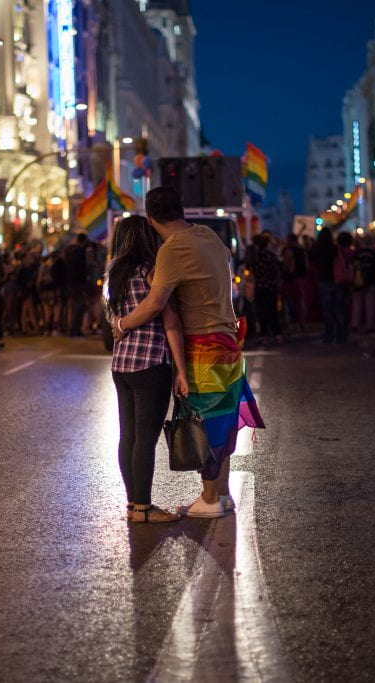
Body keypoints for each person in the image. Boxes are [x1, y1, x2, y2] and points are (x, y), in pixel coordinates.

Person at [112, 187, 265, 519]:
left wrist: (122, 324)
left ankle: (209, 499)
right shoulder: (208, 235)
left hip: (202, 345)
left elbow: (155, 303)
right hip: (228, 341)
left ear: (151, 218)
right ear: (181, 210)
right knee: (223, 418)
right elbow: (220, 260)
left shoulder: (172, 250)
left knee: (203, 420)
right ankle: (219, 494)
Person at [106, 216, 189, 523]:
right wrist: (181, 370)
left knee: (128, 436)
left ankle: (133, 505)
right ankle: (143, 507)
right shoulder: (152, 272)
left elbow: (111, 317)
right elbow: (170, 321)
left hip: (121, 364)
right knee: (145, 439)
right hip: (151, 363)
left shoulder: (114, 275)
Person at [251, 232, 283, 344]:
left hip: (260, 287)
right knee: (273, 311)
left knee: (261, 312)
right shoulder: (271, 256)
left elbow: (253, 271)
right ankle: (277, 335)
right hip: (271, 287)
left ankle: (263, 336)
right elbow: (277, 271)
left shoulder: (256, 257)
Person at [311, 228, 340, 343]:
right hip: (336, 279)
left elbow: (312, 260)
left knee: (327, 309)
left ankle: (329, 334)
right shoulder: (334, 248)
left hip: (323, 279)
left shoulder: (317, 248)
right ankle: (341, 334)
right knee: (338, 309)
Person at [352, 234, 375, 334]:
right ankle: (370, 325)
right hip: (371, 279)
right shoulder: (374, 253)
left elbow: (353, 266)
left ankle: (355, 324)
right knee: (370, 304)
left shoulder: (357, 252)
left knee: (357, 303)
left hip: (359, 280)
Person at [280, 233, 308, 332]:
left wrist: (283, 274)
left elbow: (286, 266)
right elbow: (306, 264)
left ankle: (293, 323)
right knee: (300, 301)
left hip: (291, 279)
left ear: (291, 240)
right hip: (301, 278)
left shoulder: (289, 250)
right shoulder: (302, 250)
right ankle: (302, 323)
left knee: (290, 301)